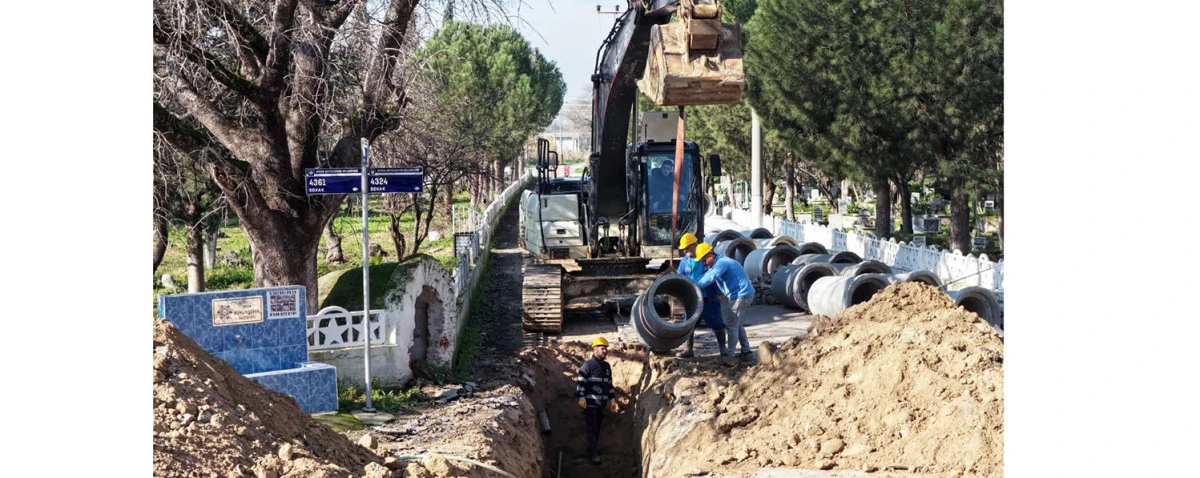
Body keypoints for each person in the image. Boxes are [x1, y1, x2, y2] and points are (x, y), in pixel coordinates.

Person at [693, 242, 756, 361]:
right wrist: (693, 282)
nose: (703, 263)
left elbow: (711, 277)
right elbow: (707, 275)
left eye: (704, 260)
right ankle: (746, 352)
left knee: (731, 325)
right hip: (738, 295)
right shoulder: (717, 263)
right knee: (737, 324)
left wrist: (693, 286)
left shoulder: (722, 263)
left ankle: (730, 356)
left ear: (710, 255)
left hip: (741, 295)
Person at [675, 233, 727, 358]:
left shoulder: (707, 257)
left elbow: (717, 276)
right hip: (692, 298)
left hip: (709, 297)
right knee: (689, 323)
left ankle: (723, 350)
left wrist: (721, 292)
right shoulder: (685, 261)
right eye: (684, 248)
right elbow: (680, 276)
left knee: (716, 322)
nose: (685, 250)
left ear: (694, 245)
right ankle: (688, 350)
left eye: (687, 247)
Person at [577, 336, 619, 464]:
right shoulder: (588, 365)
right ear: (595, 349)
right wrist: (581, 396)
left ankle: (593, 450)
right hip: (590, 404)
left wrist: (612, 399)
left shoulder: (606, 367)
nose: (605, 351)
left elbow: (609, 384)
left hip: (601, 404)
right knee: (592, 429)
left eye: (606, 349)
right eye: (602, 349)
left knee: (598, 428)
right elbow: (581, 382)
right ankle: (592, 454)